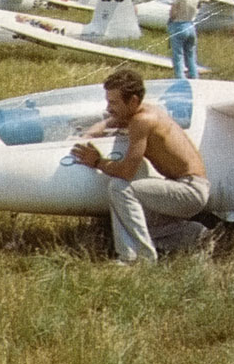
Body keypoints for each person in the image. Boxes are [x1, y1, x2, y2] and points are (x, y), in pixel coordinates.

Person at [70, 68, 211, 264]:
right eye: (108, 101)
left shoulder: (142, 120)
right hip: (187, 186)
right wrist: (86, 137)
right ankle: (195, 235)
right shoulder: (141, 111)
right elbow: (108, 122)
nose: (109, 107)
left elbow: (127, 172)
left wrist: (96, 161)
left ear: (133, 101)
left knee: (120, 188)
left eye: (114, 102)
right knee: (138, 221)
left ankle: (136, 258)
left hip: (190, 191)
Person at [167, 0, 207, 80]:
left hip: (178, 25)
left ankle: (180, 80)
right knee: (191, 56)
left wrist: (171, 19)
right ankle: (194, 78)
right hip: (191, 25)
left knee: (178, 56)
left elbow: (173, 12)